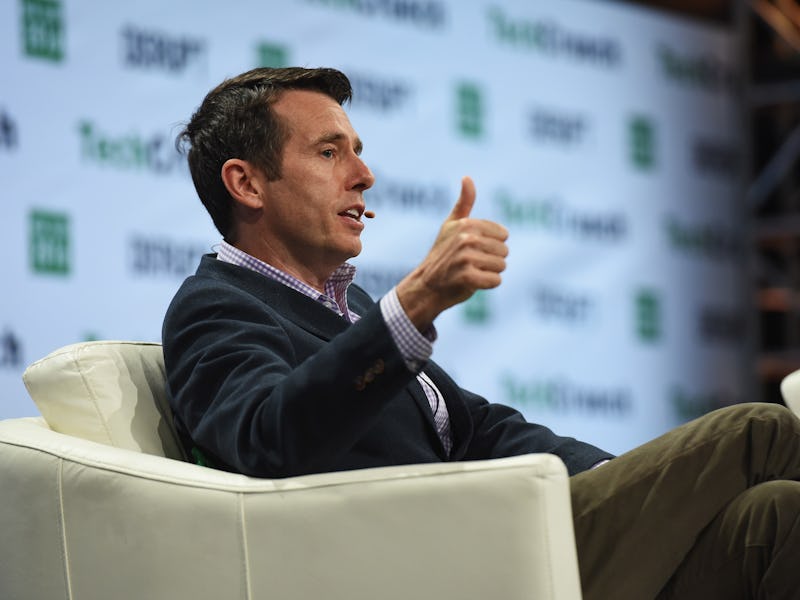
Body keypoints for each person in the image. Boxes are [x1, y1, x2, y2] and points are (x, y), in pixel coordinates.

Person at [163, 67, 800, 599]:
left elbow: (476, 430)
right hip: (437, 568)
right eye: (330, 152)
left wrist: (632, 482)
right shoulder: (216, 306)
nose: (363, 174)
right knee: (758, 429)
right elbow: (270, 441)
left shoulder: (348, 304)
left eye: (356, 149)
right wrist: (414, 303)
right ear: (246, 183)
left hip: (497, 534)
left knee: (774, 516)